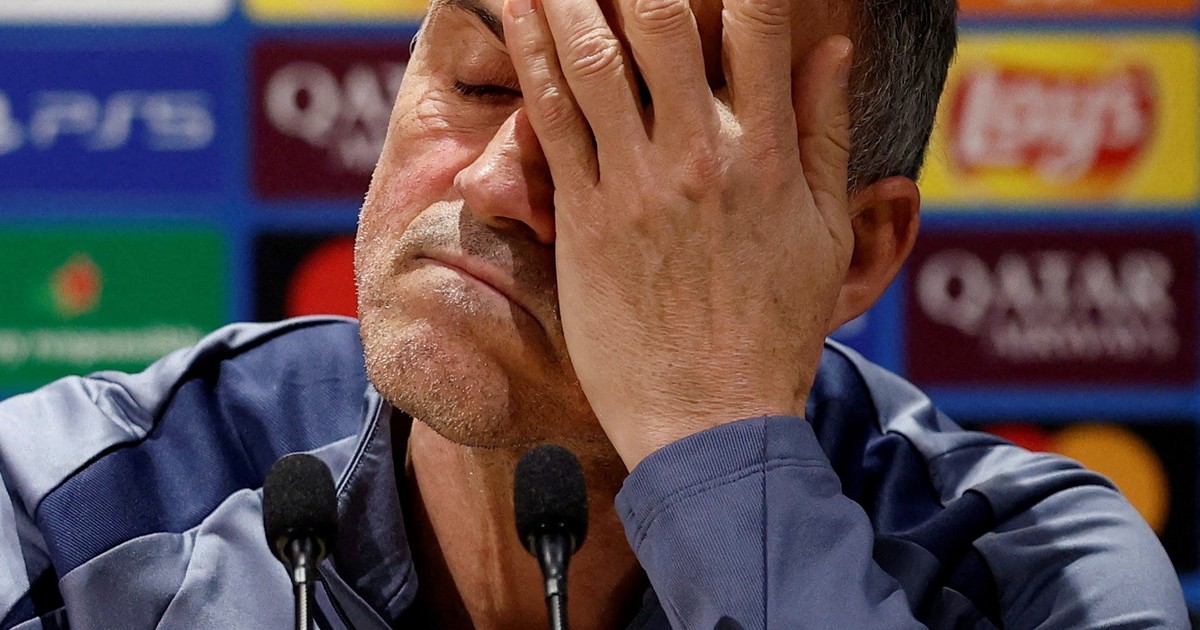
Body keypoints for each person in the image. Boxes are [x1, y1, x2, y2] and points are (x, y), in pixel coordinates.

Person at [0, 0, 1188, 626]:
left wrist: (716, 447)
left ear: (857, 251)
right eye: (476, 81)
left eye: (645, 142)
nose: (493, 183)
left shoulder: (1035, 578)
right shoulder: (66, 507)